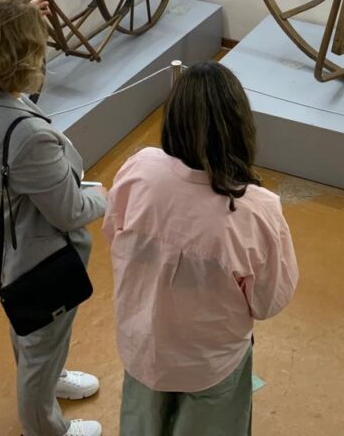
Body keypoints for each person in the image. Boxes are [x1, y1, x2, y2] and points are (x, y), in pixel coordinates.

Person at [104, 61, 299, 436]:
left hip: (141, 345)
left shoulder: (138, 169)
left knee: (141, 422)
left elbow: (114, 233)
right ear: (241, 125)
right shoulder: (256, 210)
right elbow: (268, 301)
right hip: (209, 362)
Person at [0, 0, 107, 436]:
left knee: (32, 330)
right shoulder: (30, 137)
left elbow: (2, 67)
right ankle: (46, 428)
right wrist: (108, 195)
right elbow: (72, 211)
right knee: (39, 342)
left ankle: (54, 378)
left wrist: (17, 18)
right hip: (38, 253)